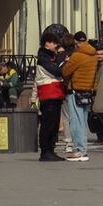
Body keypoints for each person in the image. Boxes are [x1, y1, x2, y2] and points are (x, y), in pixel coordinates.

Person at [61, 34, 101, 161]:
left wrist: (67, 61)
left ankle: (80, 149)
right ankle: (82, 148)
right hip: (87, 91)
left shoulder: (77, 55)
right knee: (82, 120)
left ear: (77, 43)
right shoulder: (93, 55)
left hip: (75, 90)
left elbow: (65, 71)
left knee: (75, 121)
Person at [34, 31, 67, 163]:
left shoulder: (50, 56)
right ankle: (46, 151)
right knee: (48, 124)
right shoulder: (43, 58)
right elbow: (57, 71)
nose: (56, 45)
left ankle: (51, 150)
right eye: (54, 43)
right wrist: (64, 61)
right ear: (47, 44)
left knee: (54, 124)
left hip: (55, 93)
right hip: (48, 94)